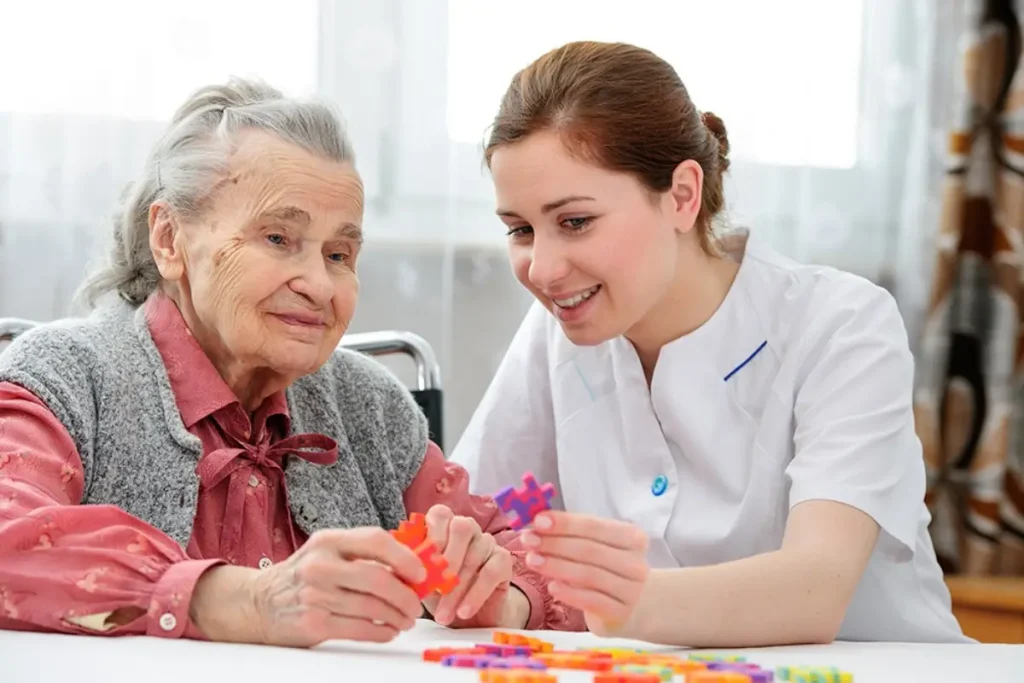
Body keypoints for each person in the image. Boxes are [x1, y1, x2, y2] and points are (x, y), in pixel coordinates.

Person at [0, 78, 588, 646]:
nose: (318, 284)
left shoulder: (371, 409)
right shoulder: (65, 376)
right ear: (169, 239)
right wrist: (249, 600)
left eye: (339, 254)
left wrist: (499, 594)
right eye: (278, 238)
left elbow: (524, 557)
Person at [451, 41, 970, 646]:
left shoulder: (842, 324)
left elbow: (814, 590)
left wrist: (620, 601)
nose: (541, 269)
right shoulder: (558, 330)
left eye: (574, 222)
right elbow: (480, 521)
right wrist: (484, 585)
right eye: (519, 229)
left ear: (681, 195)